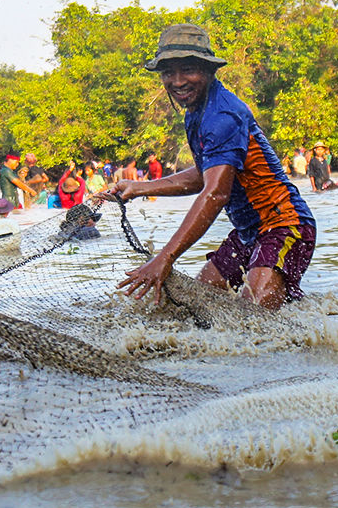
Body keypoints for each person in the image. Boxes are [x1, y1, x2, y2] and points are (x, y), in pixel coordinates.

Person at [101, 24, 316, 310]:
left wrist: (165, 257)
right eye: (168, 73)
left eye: (188, 70)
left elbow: (215, 193)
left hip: (284, 225)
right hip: (247, 233)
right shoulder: (196, 112)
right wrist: (140, 187)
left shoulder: (223, 114)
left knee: (254, 316)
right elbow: (206, 175)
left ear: (208, 70)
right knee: (197, 304)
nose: (178, 81)